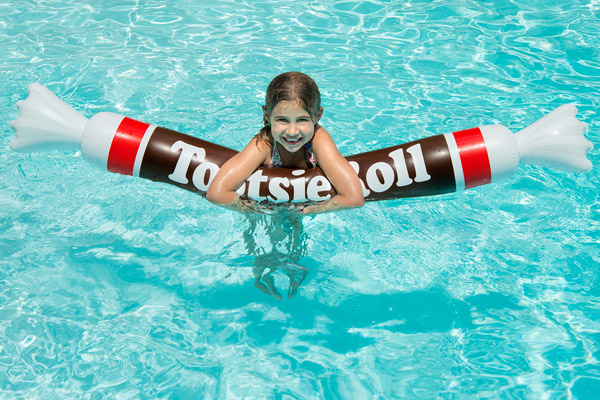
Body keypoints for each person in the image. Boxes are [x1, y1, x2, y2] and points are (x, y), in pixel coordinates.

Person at [206, 71, 365, 214]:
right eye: (283, 120)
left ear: (318, 115)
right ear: (267, 115)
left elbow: (353, 198)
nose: (292, 132)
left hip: (305, 207)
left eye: (302, 120)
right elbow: (217, 193)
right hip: (266, 207)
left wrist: (308, 211)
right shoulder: (265, 144)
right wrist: (254, 211)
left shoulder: (319, 140)